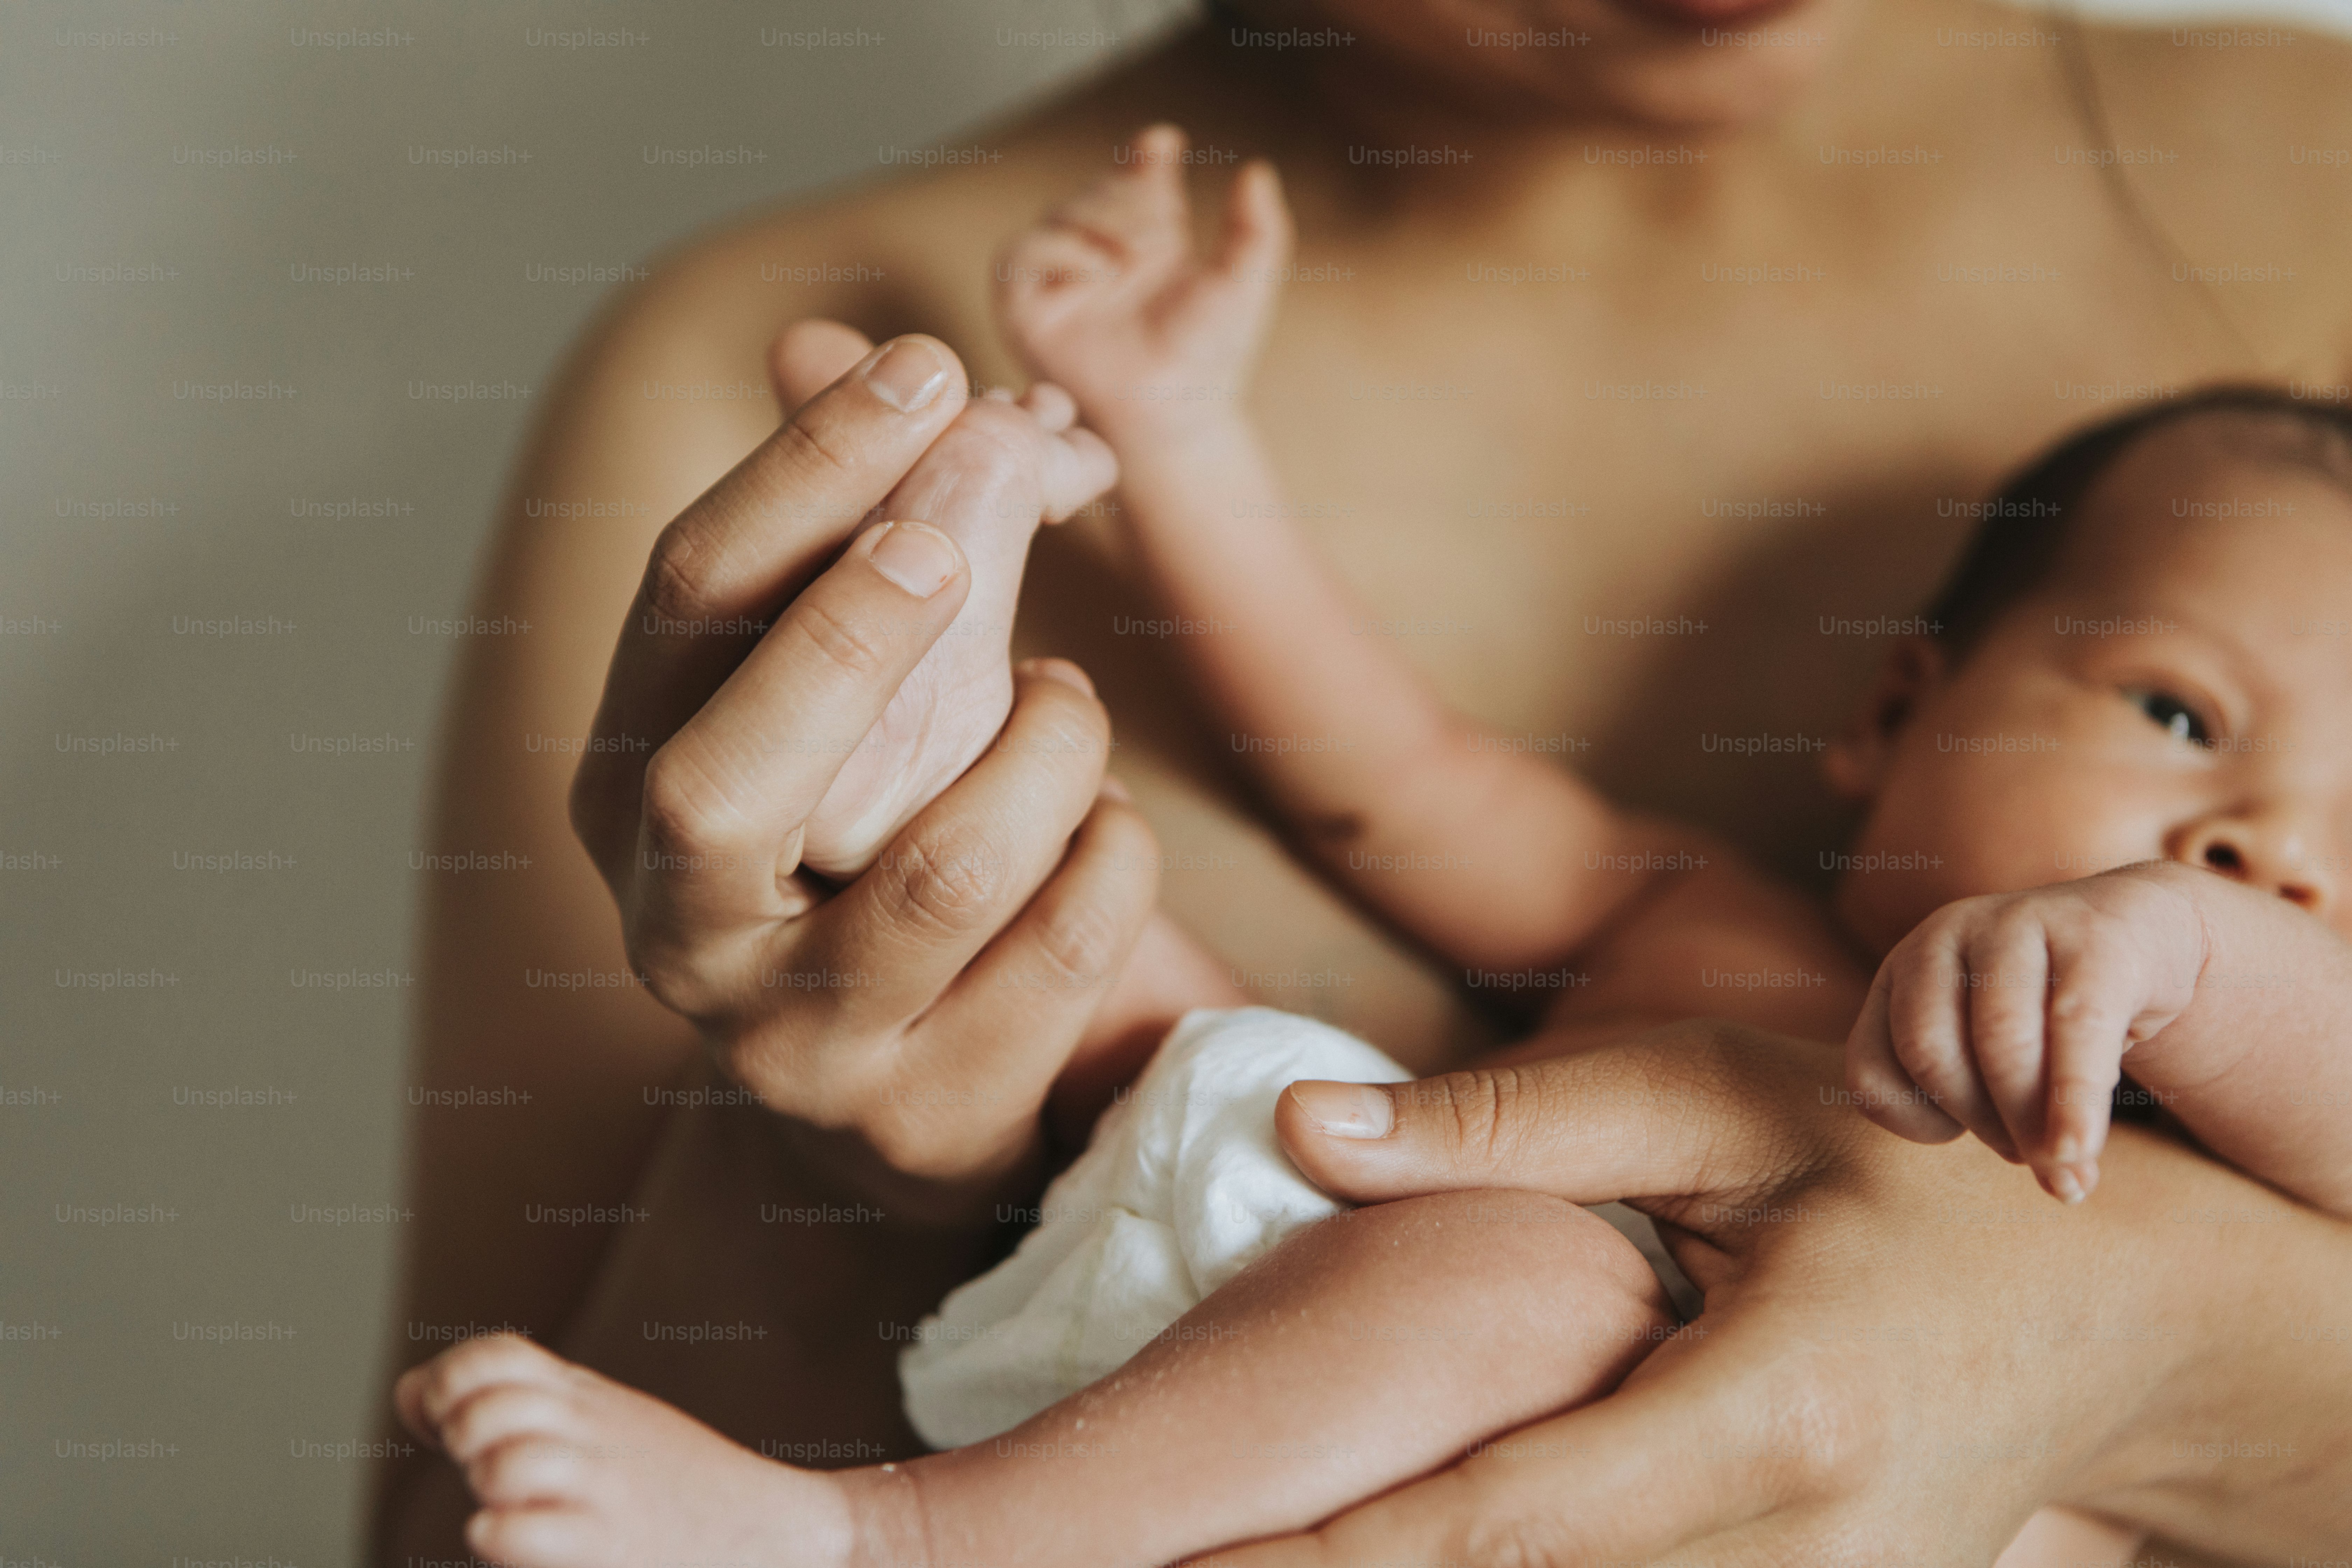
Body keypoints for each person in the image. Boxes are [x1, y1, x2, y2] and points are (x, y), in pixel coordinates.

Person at [373, 1, 2352, 1559]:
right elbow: (1384, 783)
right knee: (1105, 971)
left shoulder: (2303, 180)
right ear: (1895, 712)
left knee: (1505, 1271)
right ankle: (941, 642)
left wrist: (2176, 1060)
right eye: (2176, 719)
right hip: (1237, 1260)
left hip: (1502, 1323)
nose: (2269, 839)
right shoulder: (1697, 913)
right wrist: (1181, 450)